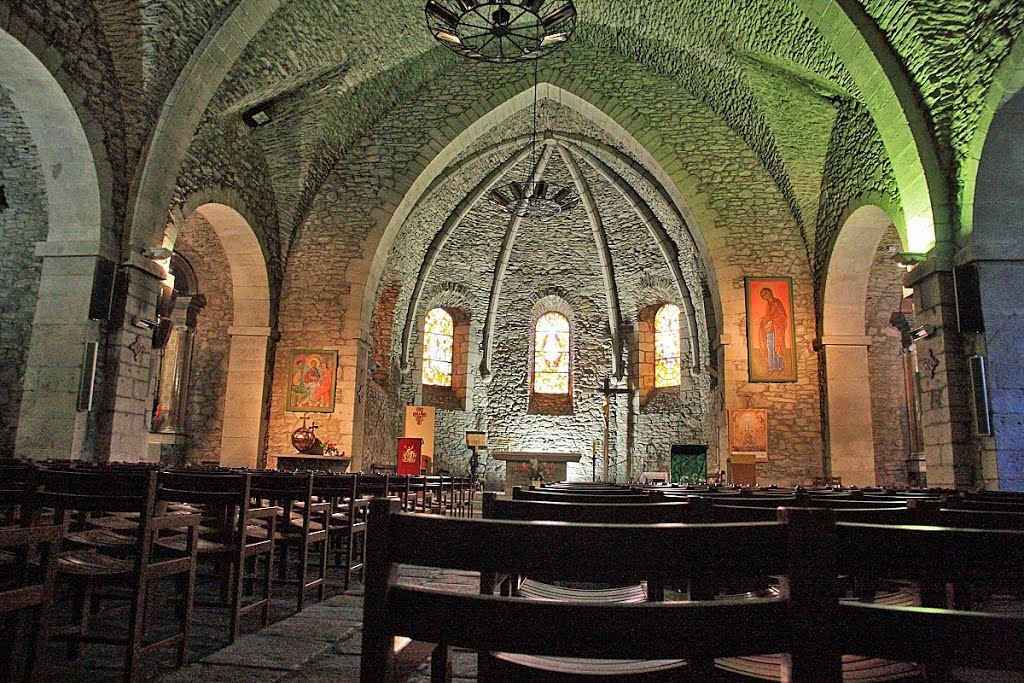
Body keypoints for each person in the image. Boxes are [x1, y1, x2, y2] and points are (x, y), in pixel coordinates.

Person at [758, 286, 788, 373]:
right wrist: (762, 319)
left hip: (777, 327)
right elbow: (768, 316)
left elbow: (783, 316)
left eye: (765, 295)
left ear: (769, 293)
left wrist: (773, 321)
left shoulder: (776, 302)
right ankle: (772, 367)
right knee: (769, 346)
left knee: (777, 345)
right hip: (770, 328)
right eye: (763, 297)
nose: (765, 298)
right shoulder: (768, 305)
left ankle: (780, 366)